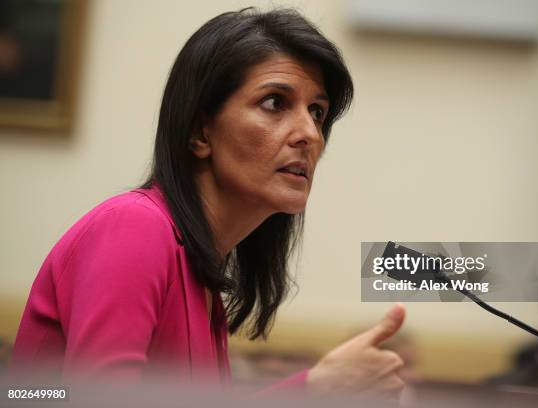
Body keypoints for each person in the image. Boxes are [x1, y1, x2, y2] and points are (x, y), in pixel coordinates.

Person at [10, 7, 409, 403]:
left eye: (317, 112)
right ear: (201, 132)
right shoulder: (134, 227)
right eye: (274, 103)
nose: (310, 133)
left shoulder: (203, 283)